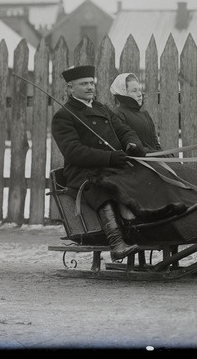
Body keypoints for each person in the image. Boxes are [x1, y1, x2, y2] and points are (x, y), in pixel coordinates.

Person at [50, 65, 148, 260]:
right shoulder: (64, 116)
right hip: (82, 172)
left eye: (91, 83)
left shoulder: (101, 108)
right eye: (83, 84)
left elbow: (124, 130)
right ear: (70, 88)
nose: (89, 87)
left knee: (143, 178)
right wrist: (109, 157)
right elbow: (73, 152)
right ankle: (116, 243)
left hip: (111, 165)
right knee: (102, 187)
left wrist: (133, 144)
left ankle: (146, 230)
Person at [109, 73, 163, 152]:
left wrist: (163, 155)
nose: (139, 94)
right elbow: (127, 146)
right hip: (138, 161)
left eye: (139, 90)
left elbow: (155, 143)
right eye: (134, 91)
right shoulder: (118, 115)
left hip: (155, 159)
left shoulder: (145, 115)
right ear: (123, 94)